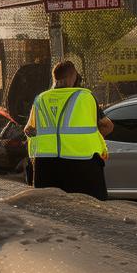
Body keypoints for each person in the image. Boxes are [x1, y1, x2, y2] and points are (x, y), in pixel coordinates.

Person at [23, 60, 114, 199]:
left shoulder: (41, 99)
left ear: (55, 79)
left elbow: (29, 129)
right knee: (88, 209)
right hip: (82, 163)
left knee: (50, 210)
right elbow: (107, 126)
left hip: (45, 165)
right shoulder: (84, 97)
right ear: (73, 77)